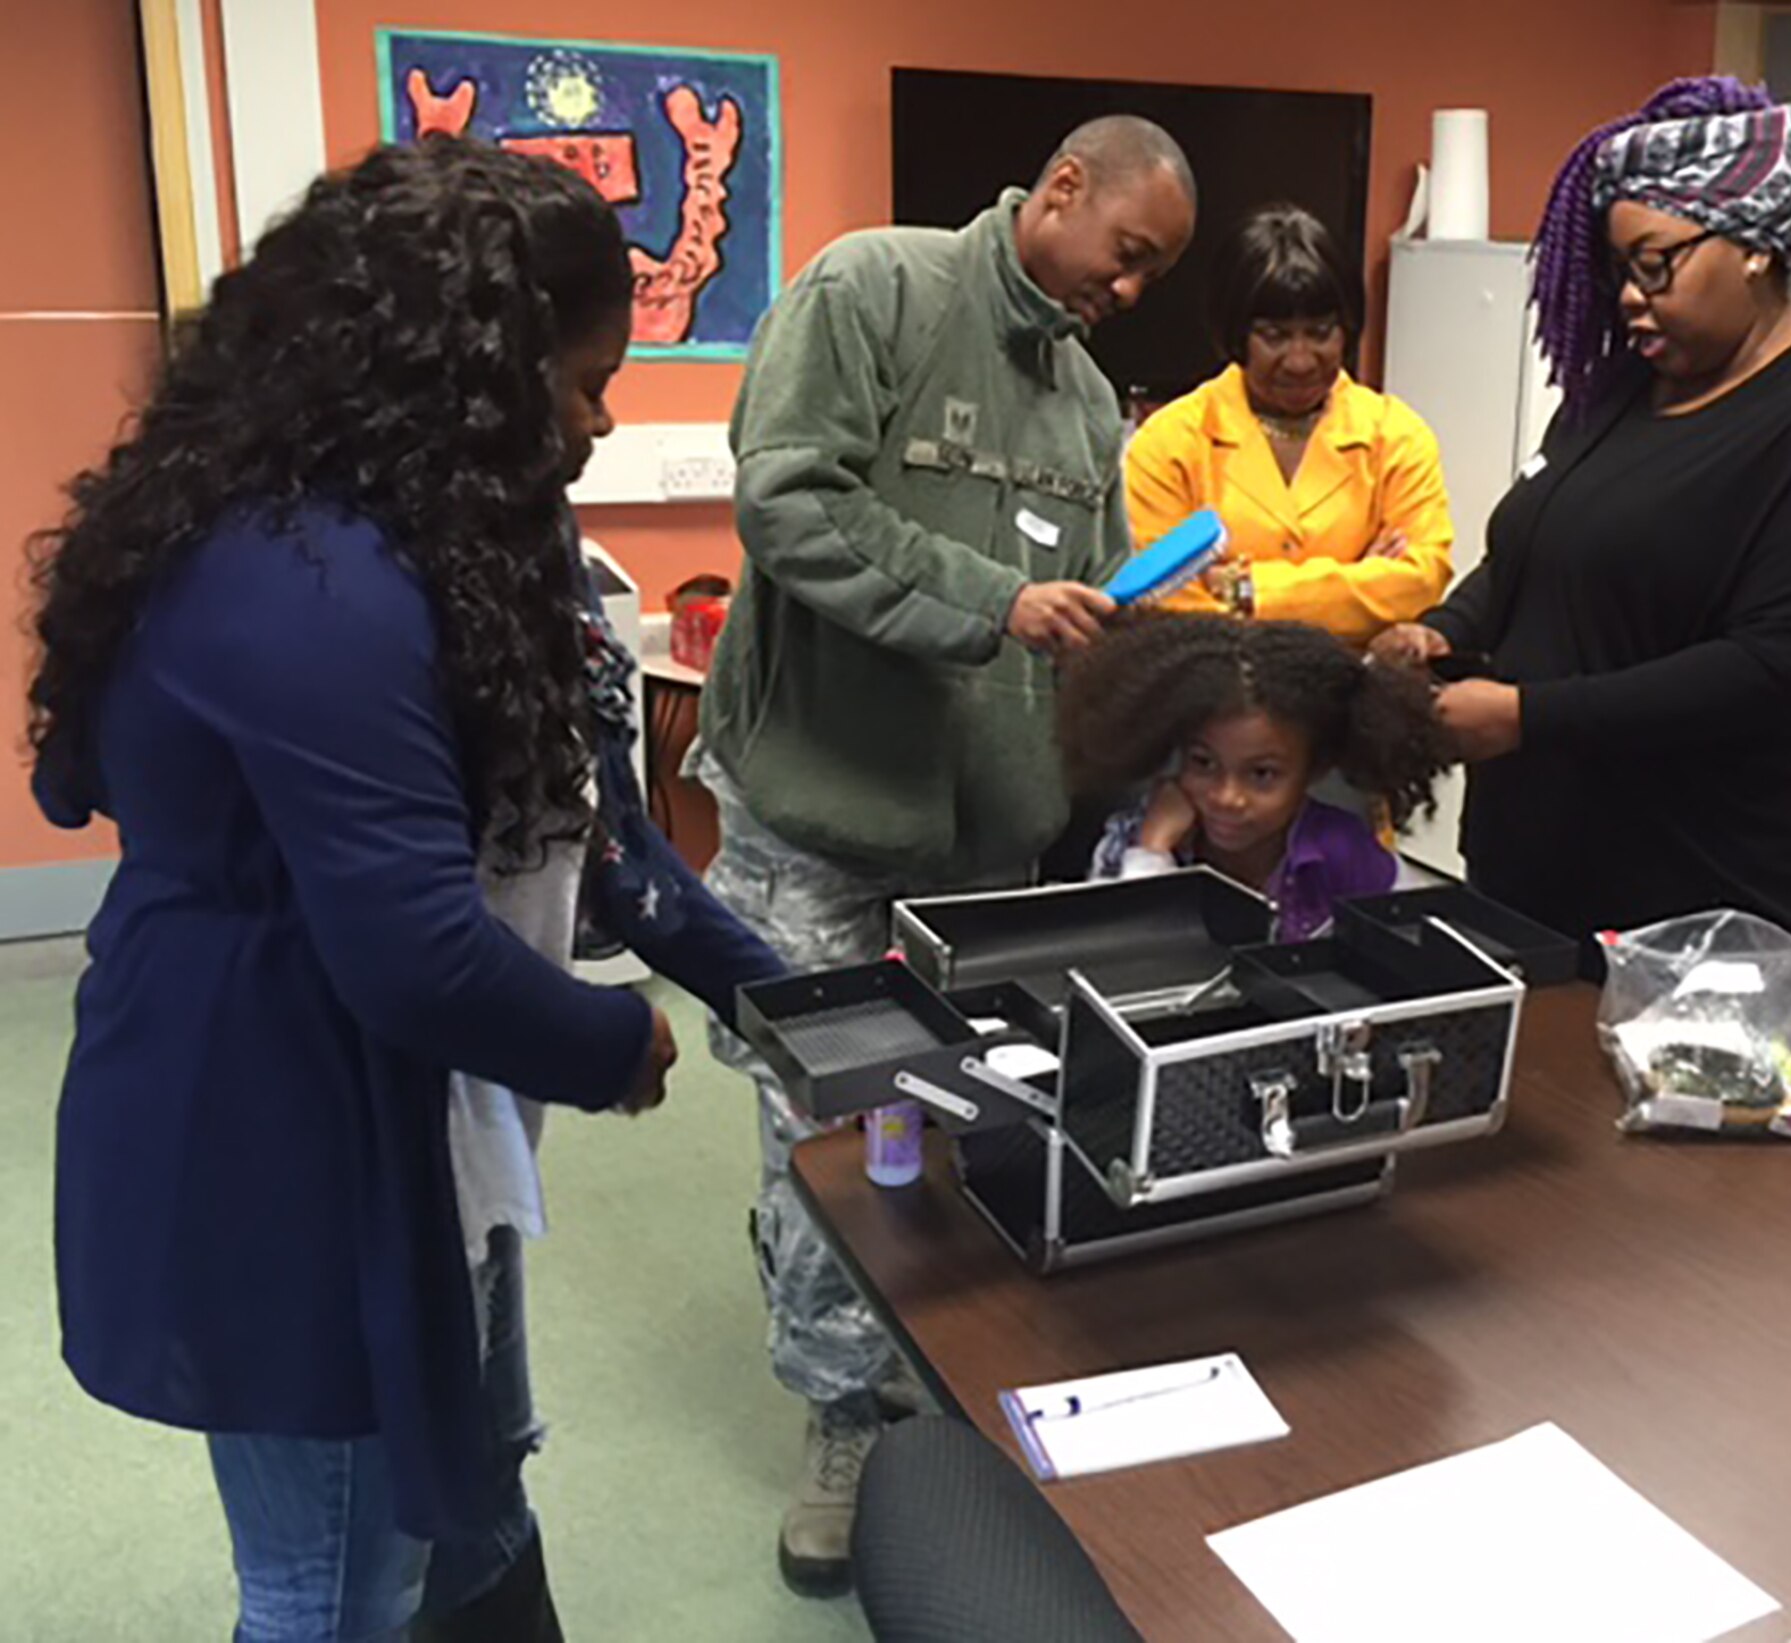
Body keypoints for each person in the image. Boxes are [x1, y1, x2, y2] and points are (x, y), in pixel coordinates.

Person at [28, 137, 779, 1643]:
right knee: (336, 1584)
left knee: (478, 1489)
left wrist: (792, 989)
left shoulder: (479, 534)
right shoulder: (294, 576)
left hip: (426, 1121)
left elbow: (599, 840)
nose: (602, 414)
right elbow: (419, 955)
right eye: (579, 379)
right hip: (277, 1128)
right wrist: (608, 1044)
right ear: (470, 376)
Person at [693, 115, 1197, 1595]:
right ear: (1059, 192)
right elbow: (787, 499)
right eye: (1127, 253)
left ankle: (920, 1386)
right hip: (825, 815)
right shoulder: (875, 290)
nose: (1130, 288)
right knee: (826, 1130)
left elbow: (1078, 616)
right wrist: (996, 598)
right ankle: (842, 1422)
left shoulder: (1090, 400)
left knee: (937, 1130)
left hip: (983, 844)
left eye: (1154, 272)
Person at [1372, 78, 1791, 948]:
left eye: (1654, 263)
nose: (1629, 296)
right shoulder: (1617, 396)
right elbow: (1534, 557)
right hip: (1536, 880)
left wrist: (1529, 716)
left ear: (1753, 247)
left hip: (1711, 907)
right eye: (1617, 270)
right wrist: (1443, 630)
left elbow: (1783, 670)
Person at [1124, 204, 1454, 643]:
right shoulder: (1168, 444)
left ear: (1347, 328)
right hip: (1212, 698)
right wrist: (1356, 582)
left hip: (1351, 696)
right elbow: (1164, 603)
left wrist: (1245, 589)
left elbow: (1422, 580)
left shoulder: (1396, 438)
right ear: (1236, 334)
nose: (1300, 361)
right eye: (1274, 335)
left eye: (1320, 332)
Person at [1059, 614, 1451, 938]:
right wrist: (1153, 849)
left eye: (1262, 774)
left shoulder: (1342, 850)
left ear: (1315, 768)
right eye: (1203, 763)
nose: (1228, 797)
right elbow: (1125, 957)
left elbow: (1413, 939)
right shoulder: (1132, 841)